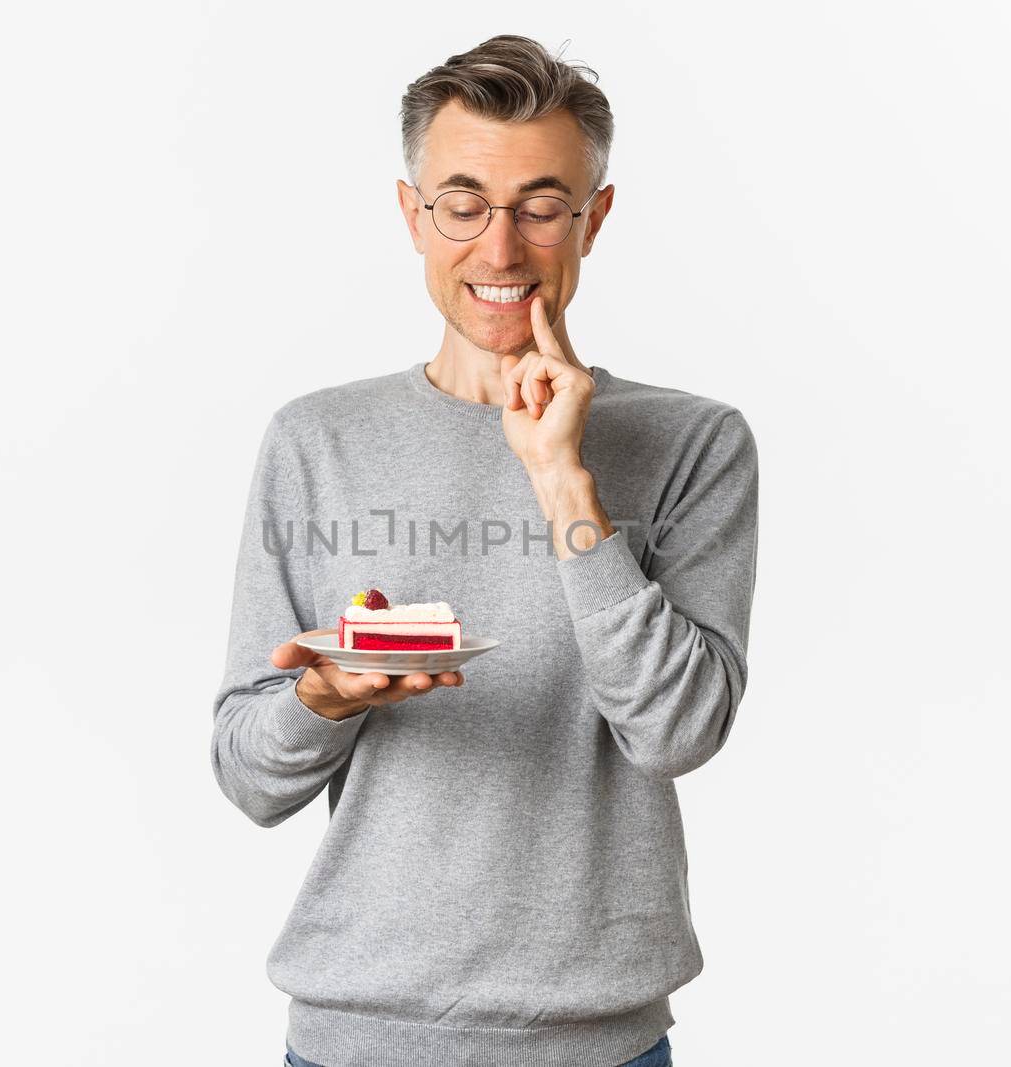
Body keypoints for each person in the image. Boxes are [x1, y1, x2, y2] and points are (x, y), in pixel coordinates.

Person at [211, 35, 758, 1067]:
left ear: (592, 219)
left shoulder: (694, 443)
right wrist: (322, 701)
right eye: (463, 204)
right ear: (413, 215)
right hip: (353, 1035)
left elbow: (679, 731)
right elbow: (247, 773)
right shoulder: (314, 440)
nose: (500, 250)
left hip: (598, 1040)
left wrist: (561, 480)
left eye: (541, 206)